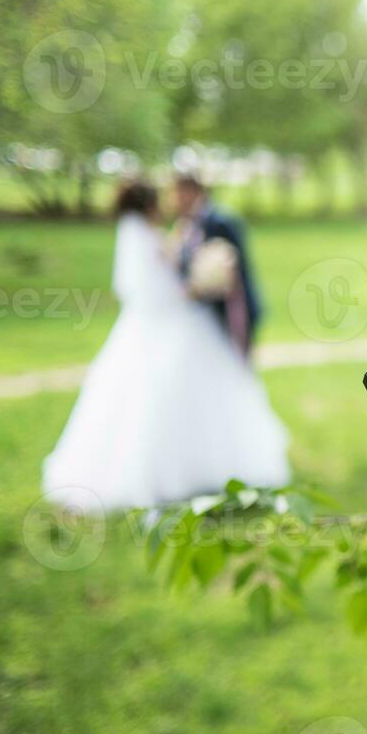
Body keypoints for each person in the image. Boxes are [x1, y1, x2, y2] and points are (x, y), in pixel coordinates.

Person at [42, 180, 290, 511]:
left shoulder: (140, 234)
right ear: (148, 206)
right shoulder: (147, 237)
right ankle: (186, 473)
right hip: (168, 324)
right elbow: (157, 291)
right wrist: (196, 289)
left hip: (151, 325)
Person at [172, 172, 262, 357]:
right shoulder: (188, 224)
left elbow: (235, 266)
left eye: (179, 193)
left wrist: (204, 283)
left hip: (231, 309)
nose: (176, 200)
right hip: (203, 312)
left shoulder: (221, 221)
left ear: (193, 191)